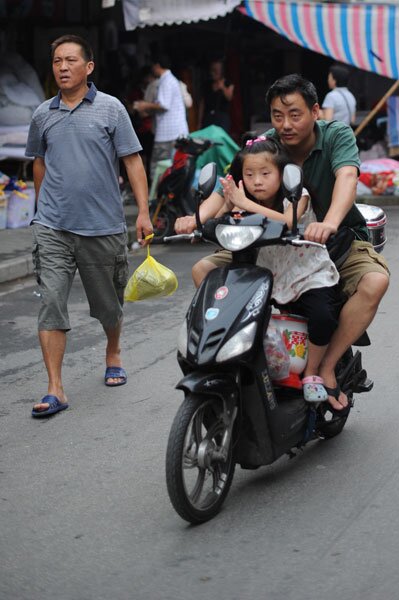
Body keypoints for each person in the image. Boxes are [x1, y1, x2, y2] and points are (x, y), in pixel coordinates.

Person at [175, 73, 390, 412]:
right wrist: (196, 219)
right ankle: (253, 351)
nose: (286, 124)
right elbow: (225, 189)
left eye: (295, 114)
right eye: (278, 115)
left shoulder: (337, 135)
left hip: (333, 240)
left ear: (315, 111)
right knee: (205, 271)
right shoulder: (266, 146)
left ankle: (326, 366)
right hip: (268, 243)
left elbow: (347, 178)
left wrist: (329, 223)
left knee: (375, 281)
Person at [25, 34, 153, 418]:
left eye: (70, 61)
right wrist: (40, 208)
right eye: (57, 61)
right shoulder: (42, 114)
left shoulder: (112, 110)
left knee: (109, 306)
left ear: (89, 67)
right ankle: (55, 388)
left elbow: (132, 161)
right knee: (51, 303)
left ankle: (112, 351)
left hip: (102, 227)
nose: (63, 68)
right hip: (53, 226)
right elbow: (39, 162)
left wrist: (143, 213)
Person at [192, 136, 342, 401]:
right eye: (249, 174)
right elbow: (220, 218)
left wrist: (245, 203)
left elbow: (287, 221)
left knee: (323, 317)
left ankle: (312, 372)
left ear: (283, 174)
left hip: (307, 272)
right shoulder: (242, 196)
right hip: (266, 273)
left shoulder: (297, 194)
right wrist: (198, 222)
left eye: (265, 173)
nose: (257, 181)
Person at [132, 55, 189, 183]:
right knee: (171, 166)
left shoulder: (166, 81)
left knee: (158, 167)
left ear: (157, 66)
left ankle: (156, 198)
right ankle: (164, 196)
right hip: (173, 132)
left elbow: (164, 105)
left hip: (168, 134)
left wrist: (144, 105)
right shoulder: (170, 80)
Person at [197, 58, 234, 133]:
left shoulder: (228, 83)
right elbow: (202, 104)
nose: (213, 73)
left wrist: (222, 87)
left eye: (216, 70)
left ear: (221, 71)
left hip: (222, 117)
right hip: (208, 117)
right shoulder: (207, 84)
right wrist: (199, 122)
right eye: (212, 70)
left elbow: (229, 97)